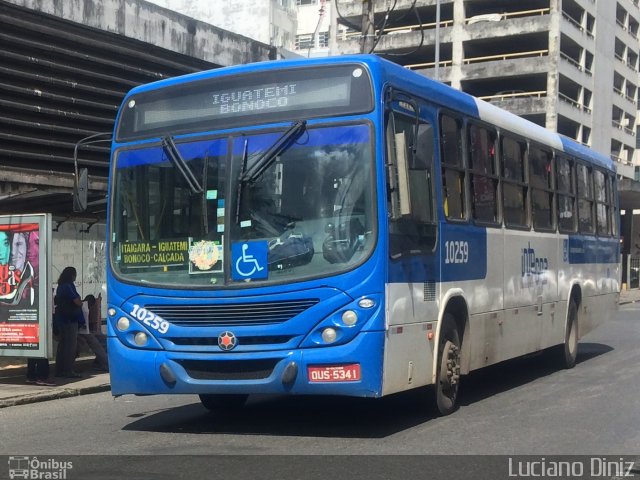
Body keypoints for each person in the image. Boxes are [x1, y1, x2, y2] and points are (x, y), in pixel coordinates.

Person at [54, 266, 84, 378]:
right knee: (70, 346)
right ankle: (68, 370)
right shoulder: (68, 286)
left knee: (62, 345)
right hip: (70, 319)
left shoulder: (60, 286)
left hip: (61, 319)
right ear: (72, 275)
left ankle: (59, 369)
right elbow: (76, 301)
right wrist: (80, 302)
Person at [77, 294, 108, 371]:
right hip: (82, 331)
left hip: (85, 331)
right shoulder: (83, 308)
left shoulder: (85, 308)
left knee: (103, 342)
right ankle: (105, 364)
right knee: (97, 345)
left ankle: (100, 362)